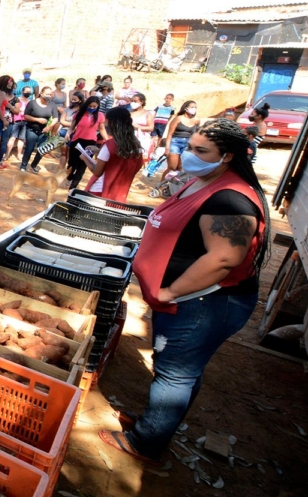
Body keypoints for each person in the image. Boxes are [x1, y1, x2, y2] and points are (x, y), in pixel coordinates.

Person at [102, 119, 270, 465]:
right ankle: (157, 422)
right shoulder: (207, 181)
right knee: (179, 367)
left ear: (226, 156)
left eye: (201, 151)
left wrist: (170, 291)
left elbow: (225, 256)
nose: (189, 155)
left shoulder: (230, 200)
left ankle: (146, 441)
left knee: (175, 373)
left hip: (203, 304)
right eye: (189, 147)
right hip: (189, 300)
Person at [80, 105, 144, 201]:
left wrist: (84, 157)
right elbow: (129, 161)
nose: (105, 123)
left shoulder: (110, 145)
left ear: (113, 123)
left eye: (106, 120)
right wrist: (100, 152)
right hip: (119, 193)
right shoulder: (136, 145)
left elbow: (97, 171)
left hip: (99, 191)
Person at [66, 95, 106, 189]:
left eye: (94, 107)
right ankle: (69, 176)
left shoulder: (100, 116)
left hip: (90, 143)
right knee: (72, 162)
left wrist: (107, 140)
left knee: (83, 165)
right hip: (77, 141)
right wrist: (68, 133)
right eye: (90, 106)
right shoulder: (79, 113)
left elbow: (102, 129)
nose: (92, 108)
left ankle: (74, 186)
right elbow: (72, 126)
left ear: (97, 106)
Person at [20, 85, 55, 172]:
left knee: (41, 150)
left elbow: (56, 118)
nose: (48, 96)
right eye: (47, 94)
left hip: (44, 131)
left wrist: (49, 127)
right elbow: (26, 116)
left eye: (50, 94)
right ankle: (23, 166)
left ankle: (34, 165)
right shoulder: (32, 103)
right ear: (41, 93)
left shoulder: (52, 104)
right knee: (29, 148)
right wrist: (37, 120)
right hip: (32, 130)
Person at [163, 100, 201, 173]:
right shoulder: (178, 118)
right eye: (192, 107)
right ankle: (162, 184)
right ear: (185, 108)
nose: (194, 109)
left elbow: (197, 134)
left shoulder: (196, 120)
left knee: (181, 168)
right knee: (172, 167)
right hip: (175, 143)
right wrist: (167, 148)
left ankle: (173, 183)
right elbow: (170, 134)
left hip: (188, 144)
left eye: (195, 107)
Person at [9, 85, 33, 160]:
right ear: (22, 91)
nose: (28, 93)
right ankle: (7, 154)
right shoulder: (17, 99)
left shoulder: (30, 102)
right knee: (12, 138)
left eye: (29, 92)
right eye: (27, 91)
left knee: (22, 139)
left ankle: (19, 154)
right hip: (16, 120)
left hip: (25, 121)